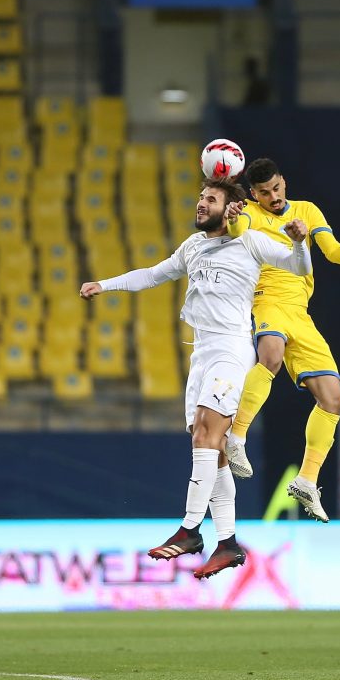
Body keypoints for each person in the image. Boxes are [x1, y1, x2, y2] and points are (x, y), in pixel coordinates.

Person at [80, 179, 312, 579]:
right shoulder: (193, 246)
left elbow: (299, 267)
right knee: (210, 446)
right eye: (201, 198)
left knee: (207, 436)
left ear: (232, 207)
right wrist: (105, 284)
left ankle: (190, 528)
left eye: (210, 199)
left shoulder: (251, 241)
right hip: (202, 352)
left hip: (231, 349)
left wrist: (299, 241)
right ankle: (227, 542)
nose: (201, 204)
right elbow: (153, 275)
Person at [224, 157, 340, 523]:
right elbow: (237, 231)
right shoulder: (251, 213)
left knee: (333, 399)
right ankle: (237, 435)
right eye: (263, 192)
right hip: (267, 299)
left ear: (284, 182)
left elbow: (332, 251)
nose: (272, 197)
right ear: (254, 193)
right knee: (269, 355)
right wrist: (234, 213)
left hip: (300, 313)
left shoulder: (306, 210)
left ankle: (306, 479)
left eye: (276, 188)